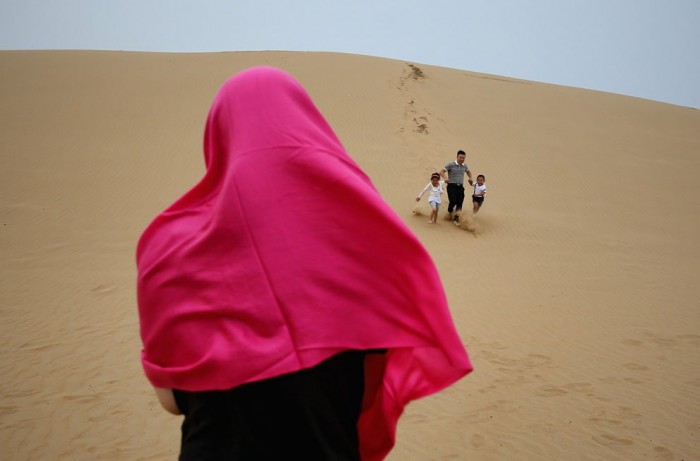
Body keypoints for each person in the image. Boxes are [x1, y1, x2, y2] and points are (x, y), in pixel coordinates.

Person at [136, 66, 472, 461]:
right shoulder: (361, 243)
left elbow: (171, 400)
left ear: (219, 136)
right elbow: (365, 392)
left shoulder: (168, 249)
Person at [440, 150, 473, 222]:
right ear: (457, 157)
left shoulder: (464, 165)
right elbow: (441, 171)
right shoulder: (451, 164)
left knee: (460, 203)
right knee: (453, 201)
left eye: (463, 158)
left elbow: (468, 171)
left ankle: (456, 218)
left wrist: (470, 178)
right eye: (460, 157)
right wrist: (445, 178)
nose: (462, 159)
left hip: (460, 187)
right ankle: (449, 212)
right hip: (451, 186)